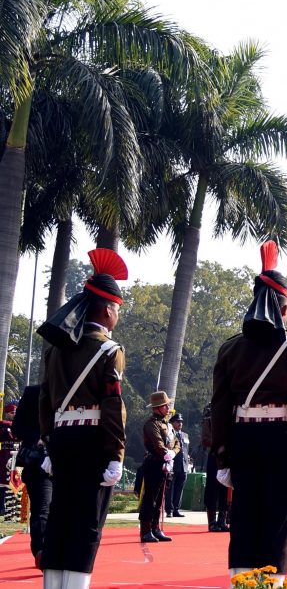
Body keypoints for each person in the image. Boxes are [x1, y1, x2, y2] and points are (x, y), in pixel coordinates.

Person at [210, 241, 287, 580]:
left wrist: (223, 456)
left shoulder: (230, 349)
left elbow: (220, 408)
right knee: (275, 525)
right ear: (283, 309)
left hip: (242, 440)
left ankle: (241, 586)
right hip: (281, 442)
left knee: (243, 521)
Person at [36, 248, 129, 589]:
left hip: (61, 440)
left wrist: (48, 443)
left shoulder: (55, 350)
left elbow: (45, 400)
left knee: (60, 519)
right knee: (86, 523)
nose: (117, 316)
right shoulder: (109, 351)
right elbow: (112, 406)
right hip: (93, 443)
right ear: (107, 310)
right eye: (117, 310)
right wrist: (116, 454)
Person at [12, 385, 51, 565]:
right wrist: (39, 437)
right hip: (38, 462)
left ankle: (56, 550)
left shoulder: (76, 392)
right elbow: (17, 427)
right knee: (42, 508)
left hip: (67, 459)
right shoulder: (33, 393)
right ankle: (41, 551)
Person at [140, 391, 177, 543]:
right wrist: (166, 453)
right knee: (150, 498)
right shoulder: (151, 424)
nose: (168, 407)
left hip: (166, 464)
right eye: (165, 405)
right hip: (154, 463)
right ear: (157, 407)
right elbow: (157, 444)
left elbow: (177, 443)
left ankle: (156, 528)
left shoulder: (167, 424)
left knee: (160, 498)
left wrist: (172, 454)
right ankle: (146, 530)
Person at [200, 402, 230, 532]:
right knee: (212, 487)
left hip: (228, 455)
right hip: (215, 454)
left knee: (226, 487)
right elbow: (205, 439)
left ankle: (222, 520)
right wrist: (220, 445)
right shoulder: (210, 409)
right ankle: (212, 522)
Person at [168, 412, 191, 517]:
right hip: (173, 465)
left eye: (181, 422)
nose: (180, 423)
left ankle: (176, 509)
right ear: (172, 423)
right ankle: (169, 510)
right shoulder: (170, 434)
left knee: (179, 489)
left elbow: (186, 450)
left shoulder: (185, 435)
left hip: (183, 466)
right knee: (171, 489)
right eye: (177, 421)